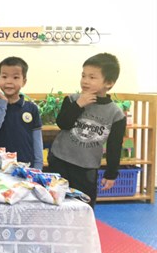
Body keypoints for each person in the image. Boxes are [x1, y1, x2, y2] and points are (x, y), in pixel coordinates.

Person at [48, 53, 126, 208]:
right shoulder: (72, 99)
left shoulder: (116, 114)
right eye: (83, 75)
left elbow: (114, 146)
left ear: (109, 83)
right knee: (56, 204)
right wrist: (78, 105)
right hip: (60, 160)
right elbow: (63, 123)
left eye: (92, 77)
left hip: (86, 167)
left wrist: (111, 174)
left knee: (84, 206)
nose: (85, 81)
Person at [0, 56, 44, 169]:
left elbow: (37, 141)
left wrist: (38, 166)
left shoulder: (31, 108)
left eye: (15, 77)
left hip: (25, 166)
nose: (9, 81)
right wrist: (2, 102)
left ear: (24, 81)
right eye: (4, 76)